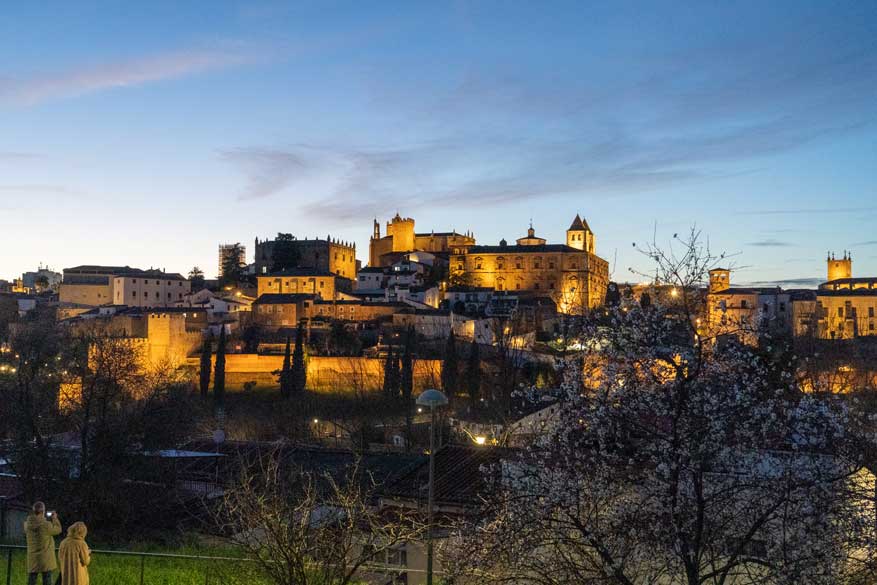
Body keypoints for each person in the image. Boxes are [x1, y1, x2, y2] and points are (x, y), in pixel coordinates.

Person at [23, 502, 62, 585]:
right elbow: (58, 529)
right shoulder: (46, 525)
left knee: (32, 579)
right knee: (47, 579)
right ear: (43, 511)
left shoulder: (27, 525)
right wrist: (54, 518)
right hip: (45, 558)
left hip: (33, 557)